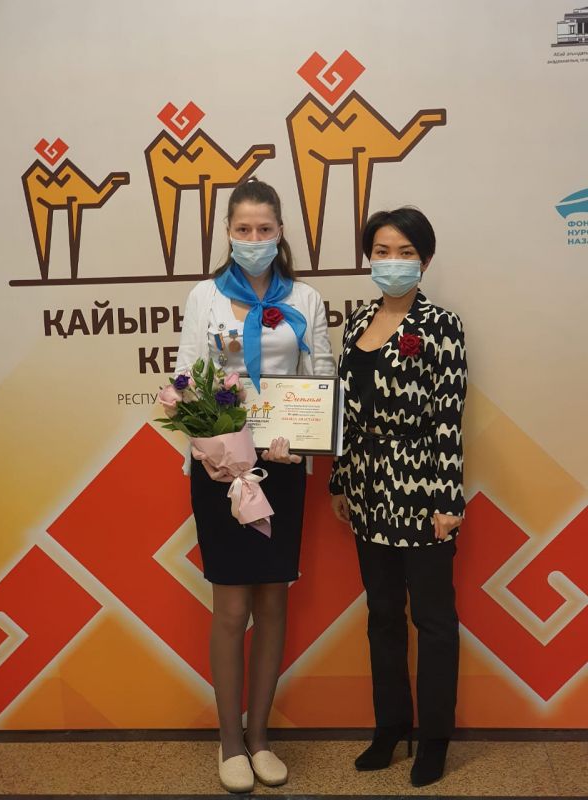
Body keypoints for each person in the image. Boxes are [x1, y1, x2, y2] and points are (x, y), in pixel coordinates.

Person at [176, 178, 335, 793]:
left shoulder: (306, 298)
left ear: (280, 233)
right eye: (243, 229)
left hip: (283, 469)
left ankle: (261, 737)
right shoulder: (206, 296)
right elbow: (187, 380)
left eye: (264, 229)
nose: (253, 238)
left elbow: (320, 377)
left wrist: (303, 438)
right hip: (221, 471)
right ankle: (229, 742)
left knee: (272, 603)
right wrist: (221, 450)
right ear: (228, 233)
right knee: (231, 607)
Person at [329, 207, 467, 788]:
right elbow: (343, 409)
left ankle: (434, 739)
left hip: (422, 489)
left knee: (432, 620)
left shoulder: (442, 326)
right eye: (382, 251)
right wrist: (340, 480)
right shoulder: (357, 320)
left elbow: (448, 419)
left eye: (405, 252)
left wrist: (448, 501)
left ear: (425, 260)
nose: (392, 262)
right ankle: (391, 728)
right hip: (366, 490)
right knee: (382, 615)